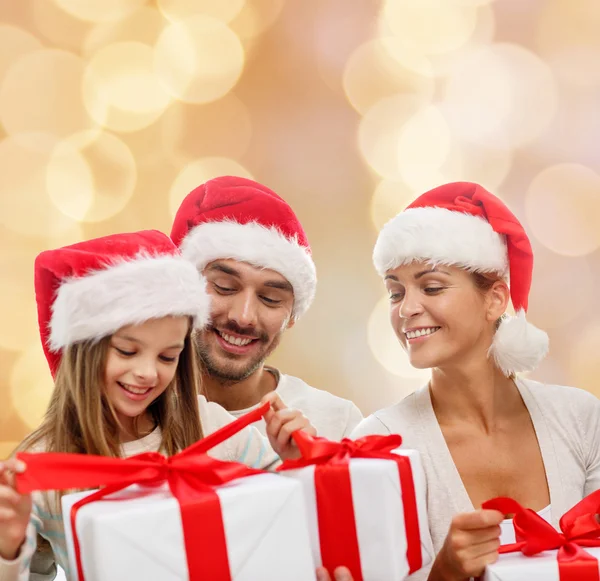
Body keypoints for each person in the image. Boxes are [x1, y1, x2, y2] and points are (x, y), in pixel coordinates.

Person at [0, 230, 316, 581]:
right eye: (127, 351)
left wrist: (298, 464)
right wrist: (8, 549)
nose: (147, 373)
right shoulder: (45, 466)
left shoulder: (211, 426)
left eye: (168, 357)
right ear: (82, 350)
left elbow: (289, 524)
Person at [351, 182, 600, 581]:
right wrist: (444, 573)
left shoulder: (580, 418)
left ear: (495, 299)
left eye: (431, 287)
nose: (407, 309)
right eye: (395, 292)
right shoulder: (381, 444)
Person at [170, 176, 363, 440]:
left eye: (270, 299)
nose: (244, 316)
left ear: (292, 315)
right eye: (224, 287)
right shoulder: (129, 412)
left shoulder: (337, 425)